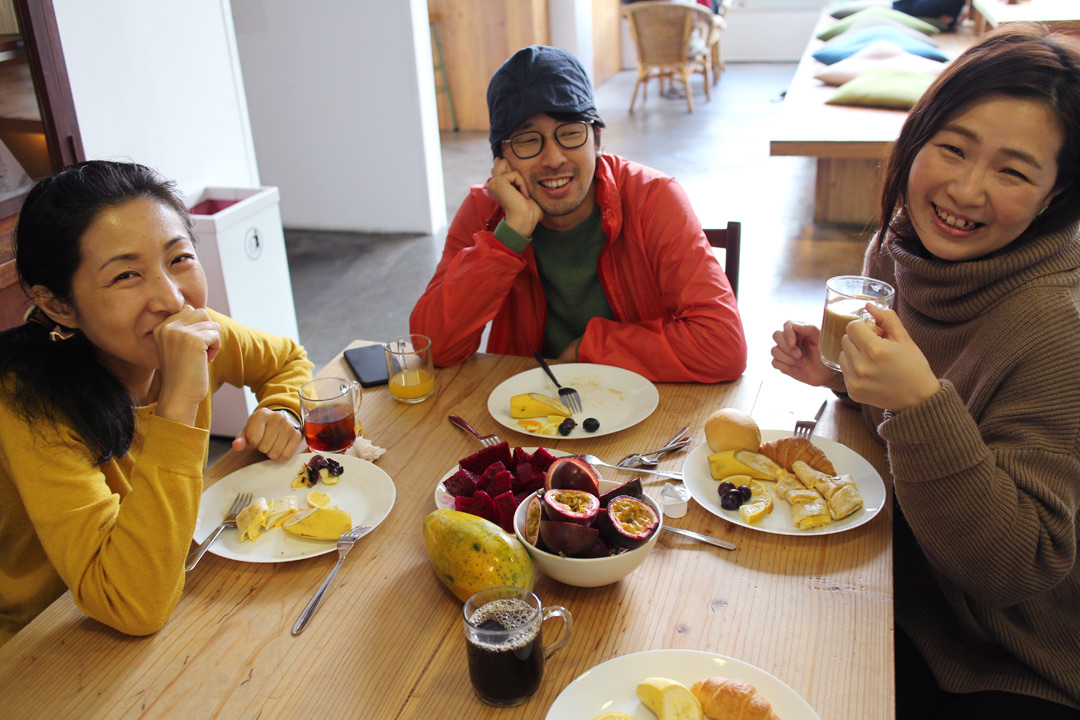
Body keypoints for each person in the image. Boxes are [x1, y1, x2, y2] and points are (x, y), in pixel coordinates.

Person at [771, 24, 1080, 717]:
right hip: (897, 575)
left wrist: (918, 406)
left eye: (1013, 171)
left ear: (1055, 192)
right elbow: (911, 416)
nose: (965, 190)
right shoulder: (902, 247)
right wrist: (843, 379)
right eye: (953, 148)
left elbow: (1022, 566)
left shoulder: (1058, 326)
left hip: (1004, 657)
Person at [0, 161, 313, 646]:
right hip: (46, 639)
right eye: (127, 275)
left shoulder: (193, 330)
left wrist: (285, 411)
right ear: (60, 305)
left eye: (179, 258)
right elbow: (131, 603)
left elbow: (287, 360)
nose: (170, 299)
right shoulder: (28, 405)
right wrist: (180, 404)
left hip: (172, 574)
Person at [410, 45, 746, 384]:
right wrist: (510, 235)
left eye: (570, 132)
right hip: (528, 402)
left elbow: (722, 347)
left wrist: (590, 350)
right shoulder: (487, 211)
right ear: (501, 160)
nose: (554, 159)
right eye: (527, 140)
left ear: (596, 141)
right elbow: (434, 348)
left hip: (641, 399)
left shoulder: (653, 198)